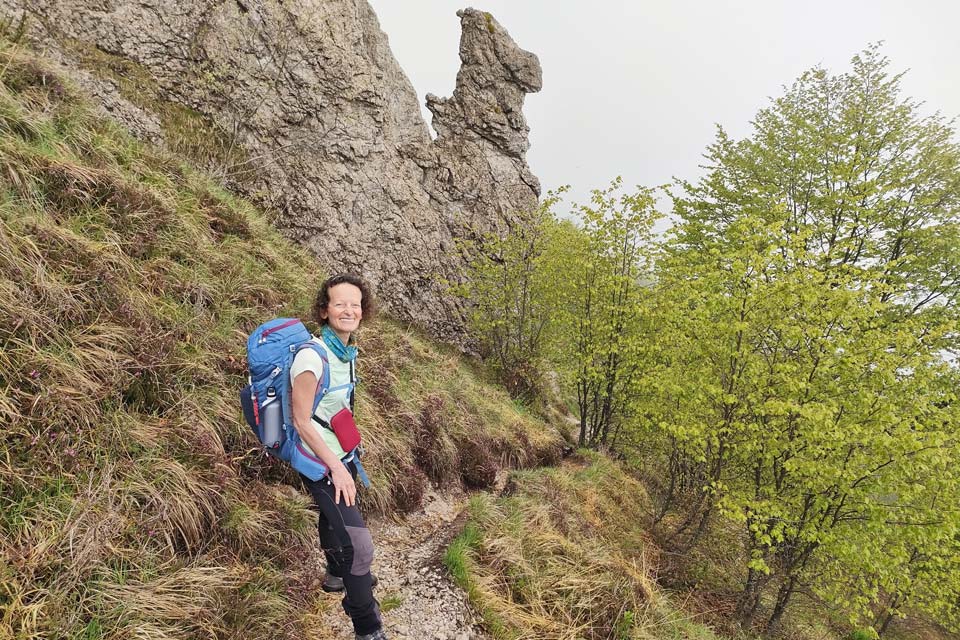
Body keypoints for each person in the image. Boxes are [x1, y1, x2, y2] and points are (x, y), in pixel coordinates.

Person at [289, 273, 387, 640]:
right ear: (324, 310)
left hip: (338, 453)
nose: (349, 310)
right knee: (360, 548)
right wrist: (336, 467)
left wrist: (347, 452)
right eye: (340, 303)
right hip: (316, 459)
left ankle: (334, 574)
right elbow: (300, 421)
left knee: (333, 516)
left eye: (356, 304)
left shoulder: (346, 351)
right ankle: (368, 628)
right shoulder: (311, 356)